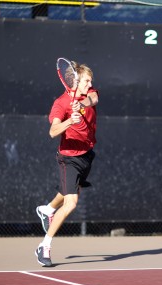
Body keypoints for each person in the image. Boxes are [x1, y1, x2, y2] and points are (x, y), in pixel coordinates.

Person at [35, 60, 99, 267]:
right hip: (68, 157)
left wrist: (81, 105)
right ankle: (44, 246)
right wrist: (69, 121)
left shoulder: (89, 92)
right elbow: (53, 132)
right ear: (76, 81)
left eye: (91, 80)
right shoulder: (60, 103)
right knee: (71, 203)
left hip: (86, 155)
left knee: (67, 191)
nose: (90, 84)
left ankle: (47, 210)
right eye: (87, 80)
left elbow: (94, 99)